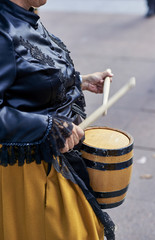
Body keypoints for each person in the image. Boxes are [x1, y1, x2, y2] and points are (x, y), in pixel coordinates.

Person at [0, 0, 115, 239]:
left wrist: (80, 80)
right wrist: (48, 126)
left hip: (60, 159)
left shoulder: (27, 13)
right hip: (31, 171)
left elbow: (28, 76)